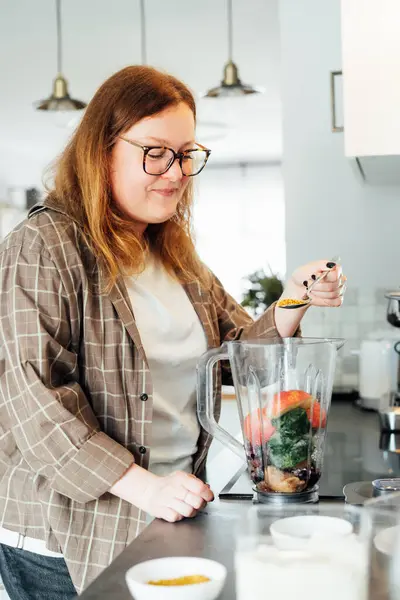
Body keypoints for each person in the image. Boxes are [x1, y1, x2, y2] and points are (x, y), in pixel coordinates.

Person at [0, 65, 346, 598]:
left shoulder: (172, 254)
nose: (177, 171)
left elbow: (237, 352)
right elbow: (34, 398)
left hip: (162, 507)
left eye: (186, 153)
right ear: (101, 149)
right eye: (156, 151)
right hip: (63, 530)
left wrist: (296, 296)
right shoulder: (44, 244)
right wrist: (144, 487)